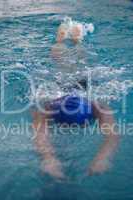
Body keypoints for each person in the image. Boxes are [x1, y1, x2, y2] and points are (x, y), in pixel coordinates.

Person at [32, 20, 119, 179]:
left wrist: (103, 158)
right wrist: (48, 159)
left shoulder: (98, 107)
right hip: (61, 87)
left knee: (80, 63)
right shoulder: (47, 107)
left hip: (83, 85)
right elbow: (40, 135)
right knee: (61, 63)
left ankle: (77, 41)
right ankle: (60, 40)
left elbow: (112, 135)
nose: (70, 128)